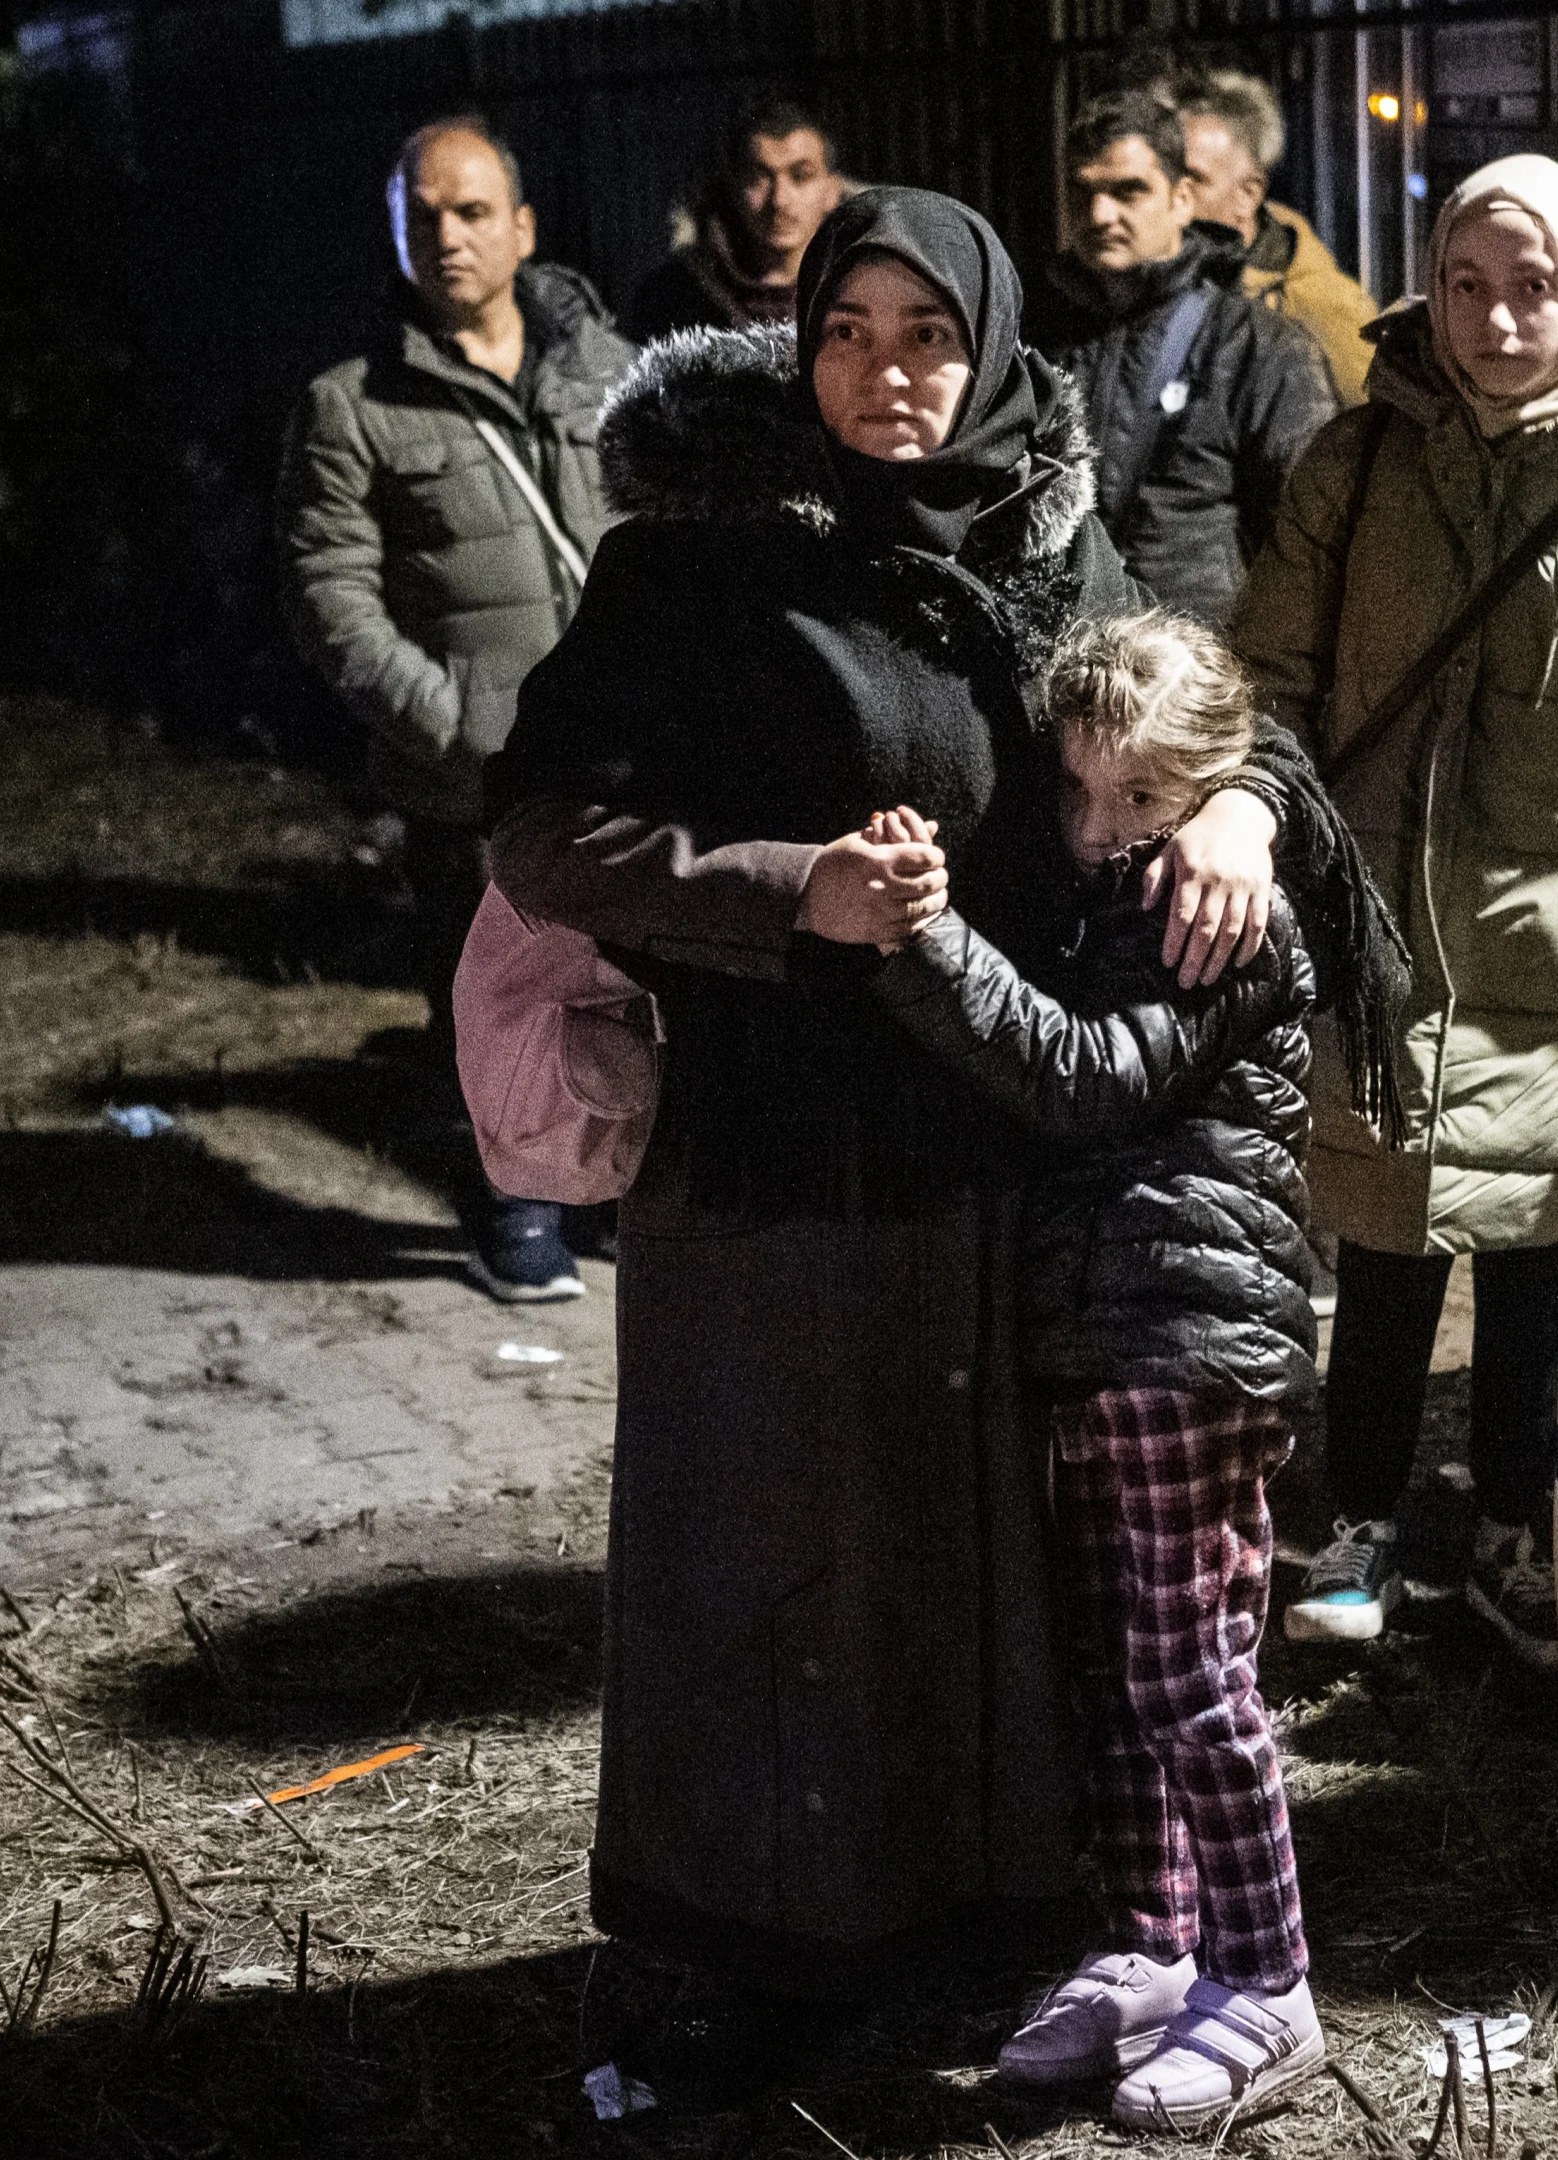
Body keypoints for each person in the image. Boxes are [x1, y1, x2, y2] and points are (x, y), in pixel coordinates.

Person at [480, 187, 1311, 2091]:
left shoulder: (1057, 546)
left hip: (1005, 1154)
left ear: (996, 343)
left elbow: (1214, 726)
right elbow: (542, 830)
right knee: (776, 1567)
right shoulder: (695, 567)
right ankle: (760, 1942)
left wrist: (1243, 814)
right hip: (778, 1165)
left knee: (988, 1579)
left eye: (927, 332)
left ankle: (1013, 1918)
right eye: (845, 332)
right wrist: (790, 893)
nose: (888, 374)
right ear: (798, 347)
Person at [1226, 153, 1558, 1663]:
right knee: (1382, 1257)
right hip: (1378, 948)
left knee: (1544, 1266)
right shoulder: (1358, 463)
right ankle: (1362, 1525)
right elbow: (1265, 681)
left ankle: (1521, 1533)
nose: (1498, 320)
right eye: (1467, 284)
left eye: (1532, 287)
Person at [868, 610, 1398, 2130]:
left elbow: (1083, 1080)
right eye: (1082, 793)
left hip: (1189, 1336)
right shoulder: (1114, 898)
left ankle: (1269, 1979)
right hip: (1104, 1329)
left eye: (1146, 802)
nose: (1102, 833)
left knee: (1191, 1673)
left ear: (1218, 785)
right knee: (1114, 1671)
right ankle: (1152, 1946)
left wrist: (924, 944)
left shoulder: (1228, 919)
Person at [279, 116, 632, 1303]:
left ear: (523, 228)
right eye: (421, 214)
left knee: (633, 977)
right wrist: (450, 720)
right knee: (494, 997)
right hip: (469, 774)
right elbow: (332, 598)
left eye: (472, 210)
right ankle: (516, 1205)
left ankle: (615, 1187)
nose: (448, 235)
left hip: (624, 759)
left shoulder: (608, 369)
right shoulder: (353, 406)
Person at [1029, 89, 1339, 625]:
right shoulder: (1030, 333)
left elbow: (1316, 539)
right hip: (1056, 662)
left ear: (1181, 199)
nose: (1100, 214)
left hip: (1195, 675)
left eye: (1129, 191)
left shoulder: (1259, 346)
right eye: (1083, 193)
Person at [1172, 68, 1380, 400]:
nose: (1172, 193)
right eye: (1166, 174)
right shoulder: (1160, 275)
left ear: (1248, 194)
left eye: (1193, 179)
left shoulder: (1327, 308)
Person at [617, 94, 846, 344]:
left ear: (831, 191)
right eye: (758, 178)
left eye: (801, 176)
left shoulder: (866, 286)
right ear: (735, 188)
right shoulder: (675, 296)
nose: (779, 200)